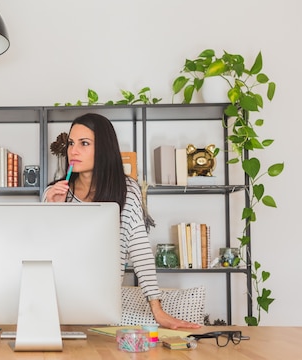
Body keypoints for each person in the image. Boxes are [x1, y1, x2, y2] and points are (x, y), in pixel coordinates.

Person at [43, 112, 200, 330]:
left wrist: (157, 309)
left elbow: (140, 249)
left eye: (84, 143)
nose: (73, 151)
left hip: (101, 306)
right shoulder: (54, 193)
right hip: (55, 303)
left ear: (104, 149)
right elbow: (44, 251)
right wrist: (53, 208)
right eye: (71, 143)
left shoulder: (126, 190)